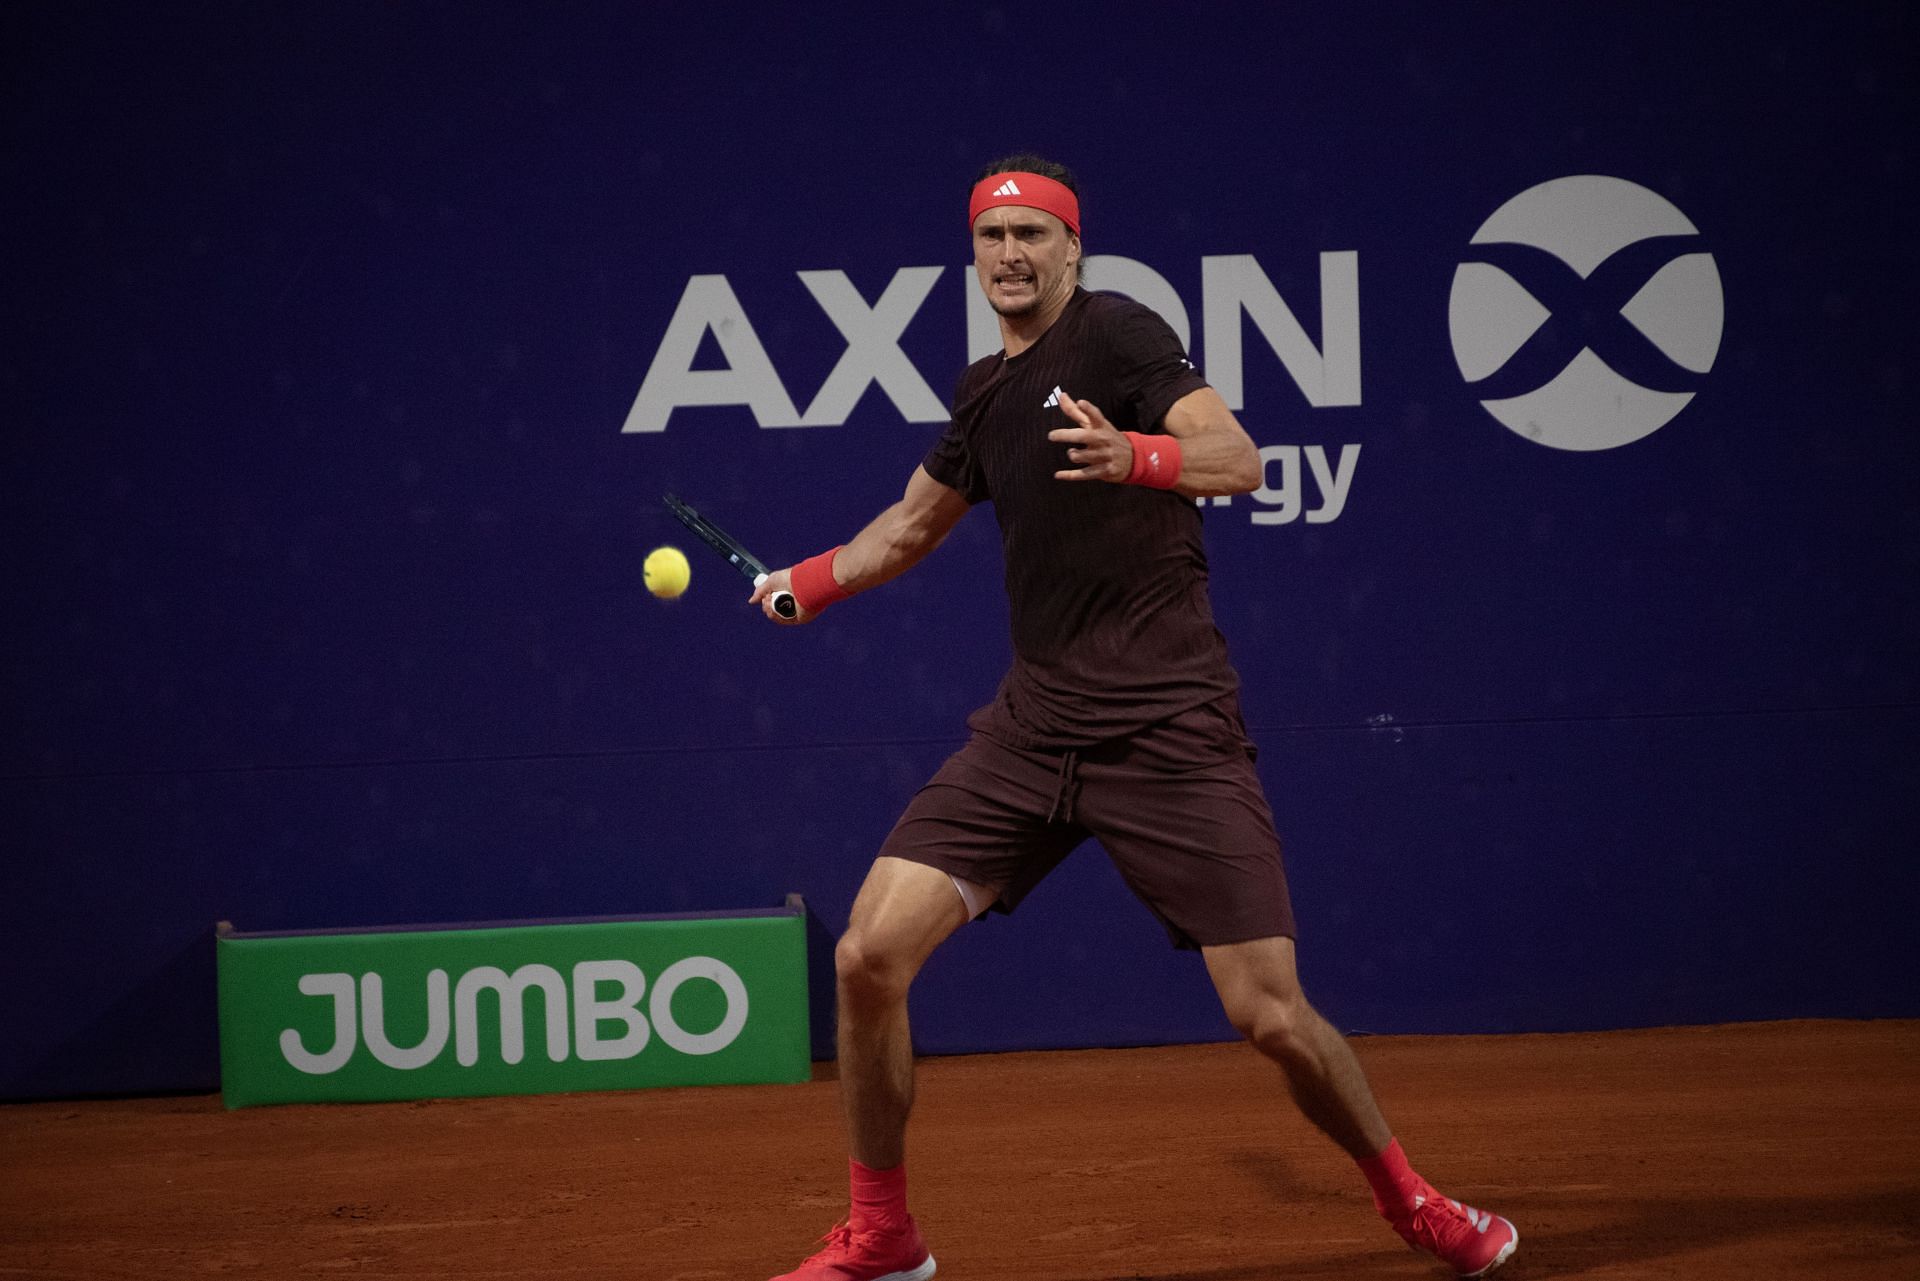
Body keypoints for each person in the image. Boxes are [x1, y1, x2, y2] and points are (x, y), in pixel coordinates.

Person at [748, 155, 1519, 1281]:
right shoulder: (983, 391)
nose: (1009, 255)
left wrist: (1137, 454)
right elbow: (910, 528)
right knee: (867, 955)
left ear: (1072, 249)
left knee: (1268, 1012)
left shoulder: (1115, 334)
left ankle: (1411, 1199)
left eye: (1032, 236)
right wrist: (807, 581)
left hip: (1169, 731)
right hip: (1033, 732)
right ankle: (883, 1235)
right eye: (991, 237)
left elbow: (1240, 460)